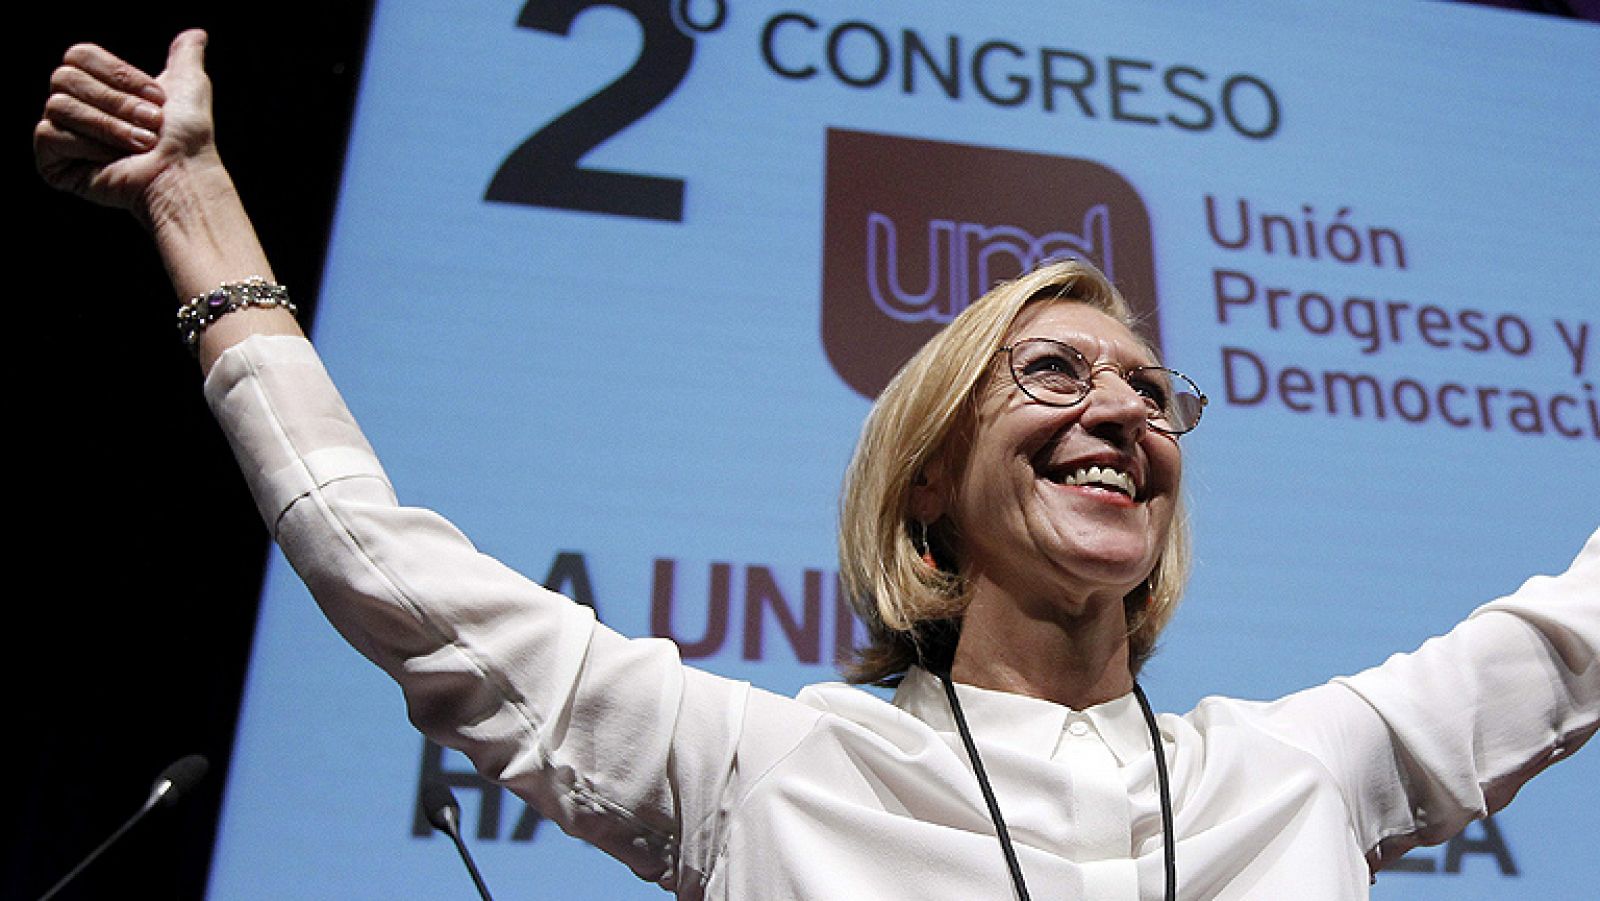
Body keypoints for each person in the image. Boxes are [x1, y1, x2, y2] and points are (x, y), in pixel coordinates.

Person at [35, 30, 1599, 900]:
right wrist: (198, 215)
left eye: (1151, 391)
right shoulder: (767, 771)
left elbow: (1576, 633)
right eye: (1052, 373)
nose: (1124, 412)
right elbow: (386, 566)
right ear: (926, 477)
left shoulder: (1298, 772)